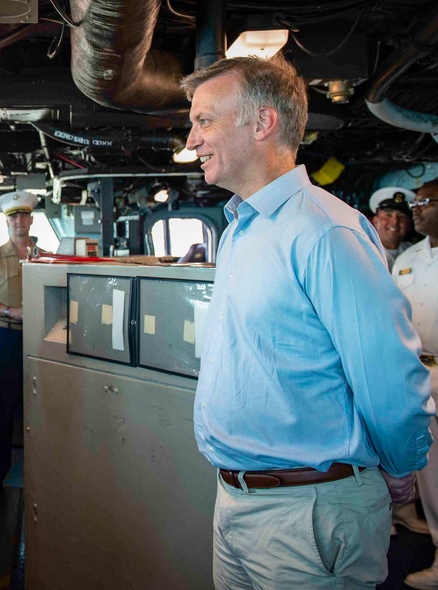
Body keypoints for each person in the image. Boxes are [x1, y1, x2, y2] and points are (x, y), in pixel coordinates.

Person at [182, 55, 433, 589]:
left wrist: (400, 466)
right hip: (237, 500)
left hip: (308, 512)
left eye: (204, 121)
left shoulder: (325, 233)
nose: (191, 141)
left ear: (262, 122)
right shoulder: (239, 231)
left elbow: (388, 376)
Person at [0, 190, 44, 497]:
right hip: (5, 335)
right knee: (1, 408)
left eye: (24, 215)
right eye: (14, 216)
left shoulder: (46, 256)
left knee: (45, 408)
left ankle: (46, 470)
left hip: (41, 339)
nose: (20, 220)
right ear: (7, 221)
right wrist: (10, 311)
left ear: (31, 220)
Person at [396, 179, 438, 590]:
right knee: (432, 473)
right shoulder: (407, 259)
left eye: (426, 201)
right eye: (417, 202)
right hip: (422, 373)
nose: (417, 209)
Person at [369, 186, 415, 269]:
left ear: (409, 225)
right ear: (375, 221)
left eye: (402, 216)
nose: (395, 221)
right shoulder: (364, 251)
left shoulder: (415, 251)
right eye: (388, 215)